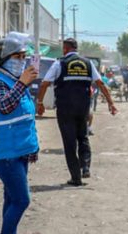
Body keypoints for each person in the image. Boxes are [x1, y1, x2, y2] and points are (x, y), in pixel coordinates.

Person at [0, 33, 39, 234]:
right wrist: (22, 83)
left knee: (10, 199)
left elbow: (27, 117)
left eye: (25, 56)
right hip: (5, 154)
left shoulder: (18, 84)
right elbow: (5, 106)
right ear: (5, 58)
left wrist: (33, 147)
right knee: (21, 200)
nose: (23, 61)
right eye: (18, 56)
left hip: (19, 152)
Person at [36, 38, 118, 186]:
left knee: (69, 143)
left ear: (65, 49)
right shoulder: (88, 63)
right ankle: (85, 167)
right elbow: (100, 83)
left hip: (65, 108)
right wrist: (110, 103)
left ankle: (76, 177)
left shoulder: (59, 63)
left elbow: (44, 84)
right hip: (83, 107)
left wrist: (40, 103)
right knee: (83, 137)